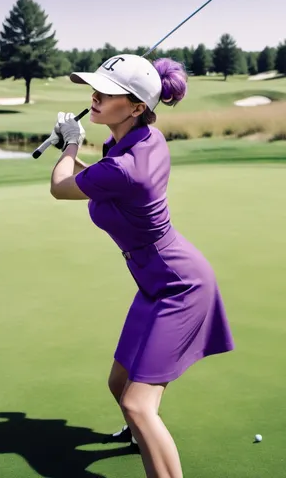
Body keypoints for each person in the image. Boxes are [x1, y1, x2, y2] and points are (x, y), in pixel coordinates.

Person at [49, 54, 235, 478]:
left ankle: (150, 442)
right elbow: (99, 180)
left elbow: (62, 187)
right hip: (157, 280)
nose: (93, 97)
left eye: (107, 92)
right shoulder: (140, 141)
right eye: (94, 89)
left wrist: (70, 142)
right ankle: (142, 436)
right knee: (120, 384)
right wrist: (79, 146)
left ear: (135, 107)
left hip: (179, 286)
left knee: (137, 402)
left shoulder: (125, 166)